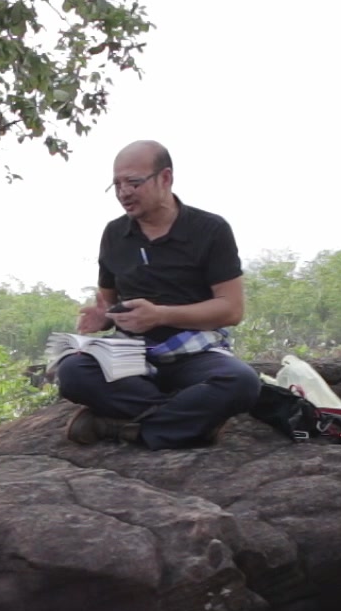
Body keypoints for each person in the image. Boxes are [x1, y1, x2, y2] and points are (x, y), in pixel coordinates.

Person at [56, 140, 261, 448]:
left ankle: (119, 428)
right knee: (72, 372)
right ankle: (186, 420)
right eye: (117, 184)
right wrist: (103, 317)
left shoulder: (210, 229)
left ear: (165, 178)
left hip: (195, 354)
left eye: (134, 182)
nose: (124, 192)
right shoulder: (114, 234)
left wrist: (161, 315)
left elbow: (231, 310)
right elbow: (110, 302)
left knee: (241, 383)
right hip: (131, 355)